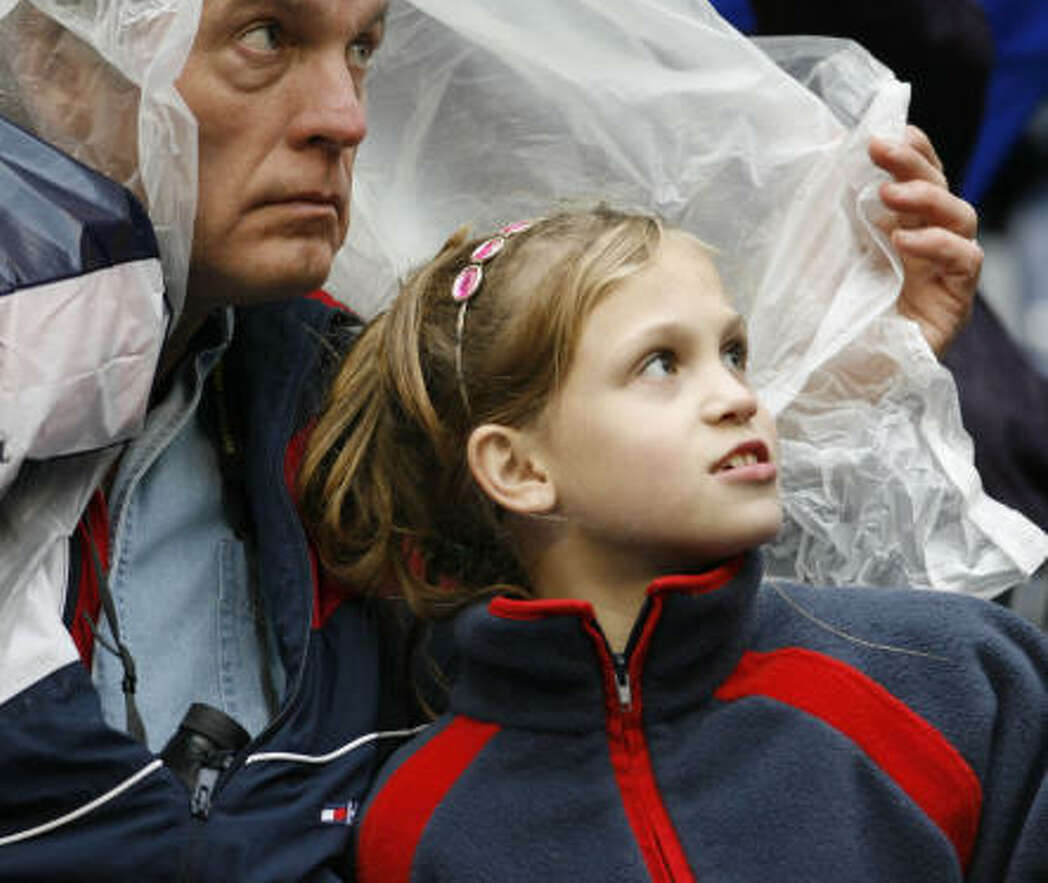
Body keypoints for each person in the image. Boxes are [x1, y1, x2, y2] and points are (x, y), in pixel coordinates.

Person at [0, 0, 1017, 880]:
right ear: (63, 60)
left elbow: (638, 688)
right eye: (268, 35)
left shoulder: (384, 414)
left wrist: (849, 389)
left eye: (362, 49)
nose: (346, 115)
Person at [299, 206, 1048, 882]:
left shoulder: (955, 676)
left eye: (733, 351)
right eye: (661, 363)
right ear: (518, 467)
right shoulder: (417, 823)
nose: (737, 397)